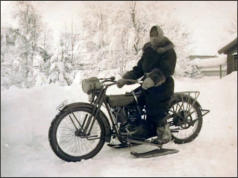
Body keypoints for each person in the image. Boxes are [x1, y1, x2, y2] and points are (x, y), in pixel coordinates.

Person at [117, 25, 177, 144]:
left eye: (156, 35)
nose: (154, 38)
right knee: (132, 101)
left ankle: (164, 134)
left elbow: (166, 69)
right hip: (147, 85)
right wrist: (125, 79)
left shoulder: (168, 51)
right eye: (152, 35)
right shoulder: (148, 50)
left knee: (155, 108)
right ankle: (136, 129)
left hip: (162, 86)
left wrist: (153, 79)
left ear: (161, 35)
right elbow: (139, 69)